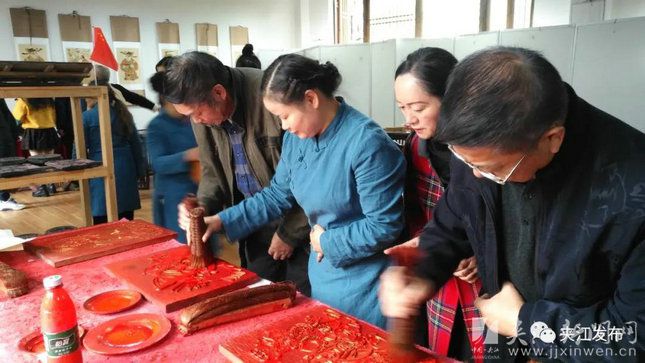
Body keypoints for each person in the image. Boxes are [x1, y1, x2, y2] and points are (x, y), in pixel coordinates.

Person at [379, 46, 645, 361]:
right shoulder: (478, 143)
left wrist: (525, 321)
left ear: (552, 139)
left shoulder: (631, 188)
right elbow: (453, 221)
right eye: (467, 161)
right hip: (498, 327)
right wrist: (422, 273)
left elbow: (633, 337)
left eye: (494, 169)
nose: (475, 174)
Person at [189, 54, 406, 328]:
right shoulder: (297, 138)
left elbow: (384, 225)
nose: (283, 126)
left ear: (311, 99)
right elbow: (277, 195)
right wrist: (223, 220)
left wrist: (326, 242)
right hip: (324, 274)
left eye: (285, 115)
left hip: (366, 284)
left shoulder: (367, 144)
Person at [165, 51, 311, 297]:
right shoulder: (204, 110)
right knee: (258, 295)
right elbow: (212, 171)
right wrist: (202, 208)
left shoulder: (272, 97)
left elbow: (308, 178)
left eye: (196, 113)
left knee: (301, 299)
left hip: (299, 220)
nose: (196, 122)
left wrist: (289, 233)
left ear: (219, 93)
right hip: (252, 220)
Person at [388, 47, 482, 361]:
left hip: (491, 285)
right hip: (440, 279)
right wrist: (423, 244)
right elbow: (416, 213)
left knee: (493, 351)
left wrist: (480, 255)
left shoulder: (486, 150)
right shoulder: (415, 148)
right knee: (441, 352)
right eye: (402, 107)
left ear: (452, 97)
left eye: (418, 107)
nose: (408, 119)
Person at [82, 65, 145, 225]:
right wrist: (141, 170)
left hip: (99, 166)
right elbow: (136, 144)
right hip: (125, 165)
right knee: (125, 216)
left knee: (101, 215)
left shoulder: (87, 117)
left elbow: (80, 148)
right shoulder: (123, 113)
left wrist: (77, 176)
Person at [147, 58, 199, 242]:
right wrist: (189, 156)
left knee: (204, 245)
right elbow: (158, 163)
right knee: (181, 247)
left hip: (198, 191)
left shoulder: (193, 121)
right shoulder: (157, 126)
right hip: (172, 196)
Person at [12, 97, 59, 197]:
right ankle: (51, 185)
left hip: (33, 132)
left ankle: (42, 188)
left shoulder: (24, 99)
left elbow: (17, 116)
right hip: (49, 131)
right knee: (50, 161)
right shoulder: (49, 99)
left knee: (36, 162)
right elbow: (55, 116)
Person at [0, 99, 25, 211]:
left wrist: (15, 134)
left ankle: (4, 198)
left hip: (4, 136)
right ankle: (3, 199)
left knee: (5, 166)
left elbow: (7, 115)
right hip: (4, 136)